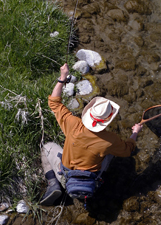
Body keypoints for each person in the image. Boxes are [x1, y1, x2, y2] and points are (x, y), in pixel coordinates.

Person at [40, 63, 143, 205]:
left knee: (47, 146)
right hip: (92, 183)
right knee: (111, 152)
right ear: (107, 121)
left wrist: (62, 77)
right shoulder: (110, 140)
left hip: (66, 179)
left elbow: (54, 103)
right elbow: (128, 150)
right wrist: (135, 133)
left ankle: (53, 183)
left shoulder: (73, 124)